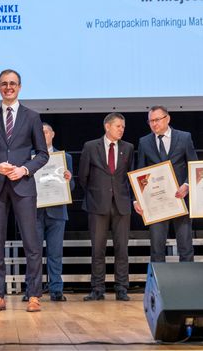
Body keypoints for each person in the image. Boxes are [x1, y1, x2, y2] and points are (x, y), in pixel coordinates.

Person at [0, 69, 49, 313]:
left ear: (20, 87)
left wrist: (25, 170)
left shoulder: (32, 117)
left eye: (13, 84)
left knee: (31, 243)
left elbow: (43, 154)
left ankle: (34, 295)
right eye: (4, 84)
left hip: (23, 186)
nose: (8, 87)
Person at [79, 113, 134, 301]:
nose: (122, 129)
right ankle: (97, 288)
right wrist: (97, 194)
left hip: (122, 205)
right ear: (107, 126)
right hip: (97, 205)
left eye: (123, 127)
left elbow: (130, 175)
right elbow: (83, 176)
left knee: (122, 249)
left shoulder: (128, 148)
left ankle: (122, 288)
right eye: (118, 126)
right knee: (98, 249)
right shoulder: (90, 146)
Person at [134, 106, 197, 262]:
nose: (154, 124)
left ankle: (187, 277)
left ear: (167, 119)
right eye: (151, 121)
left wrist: (187, 185)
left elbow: (194, 165)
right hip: (156, 201)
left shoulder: (184, 137)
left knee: (185, 246)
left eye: (157, 120)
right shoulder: (144, 142)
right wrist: (137, 199)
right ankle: (158, 278)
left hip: (181, 199)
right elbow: (140, 172)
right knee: (157, 248)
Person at [23, 122, 74, 302]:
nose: (43, 135)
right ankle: (31, 290)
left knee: (55, 253)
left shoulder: (65, 157)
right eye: (40, 132)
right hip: (34, 212)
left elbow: (71, 187)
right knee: (33, 253)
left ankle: (56, 290)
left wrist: (68, 179)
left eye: (46, 132)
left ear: (53, 134)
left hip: (57, 212)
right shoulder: (27, 157)